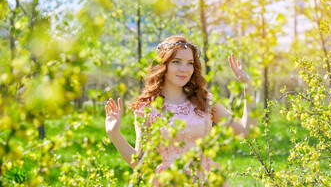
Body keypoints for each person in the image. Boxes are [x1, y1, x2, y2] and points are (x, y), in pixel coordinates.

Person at [105, 36, 257, 186]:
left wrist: (247, 86)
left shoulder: (204, 100)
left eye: (189, 63)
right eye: (176, 62)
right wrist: (114, 133)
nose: (184, 69)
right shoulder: (147, 109)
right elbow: (140, 163)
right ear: (163, 64)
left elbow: (245, 130)